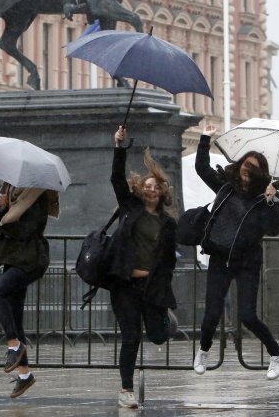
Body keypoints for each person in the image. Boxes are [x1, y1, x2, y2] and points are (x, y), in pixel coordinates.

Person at [192, 124, 279, 381]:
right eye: (246, 165)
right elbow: (202, 169)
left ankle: (276, 353)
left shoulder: (265, 197)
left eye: (253, 169)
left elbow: (273, 229)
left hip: (248, 261)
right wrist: (204, 139)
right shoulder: (226, 187)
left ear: (260, 174)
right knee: (212, 312)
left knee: (248, 315)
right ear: (240, 165)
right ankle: (203, 350)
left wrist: (269, 201)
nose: (247, 171)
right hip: (220, 257)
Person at [103, 125, 178, 409]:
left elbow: (169, 260)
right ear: (141, 189)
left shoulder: (168, 224)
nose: (150, 190)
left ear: (161, 192)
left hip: (152, 285)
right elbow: (115, 179)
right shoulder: (130, 209)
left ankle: (167, 320)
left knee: (158, 334)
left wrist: (152, 275)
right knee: (131, 335)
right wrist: (119, 148)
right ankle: (126, 390)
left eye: (155, 187)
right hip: (125, 284)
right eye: (146, 186)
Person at [0, 182, 59, 398]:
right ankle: (25, 375)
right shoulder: (13, 194)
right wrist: (2, 208)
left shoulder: (37, 196)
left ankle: (13, 345)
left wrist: (4, 214)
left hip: (30, 260)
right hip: (14, 258)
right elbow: (2, 220)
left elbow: (24, 230)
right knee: (15, 317)